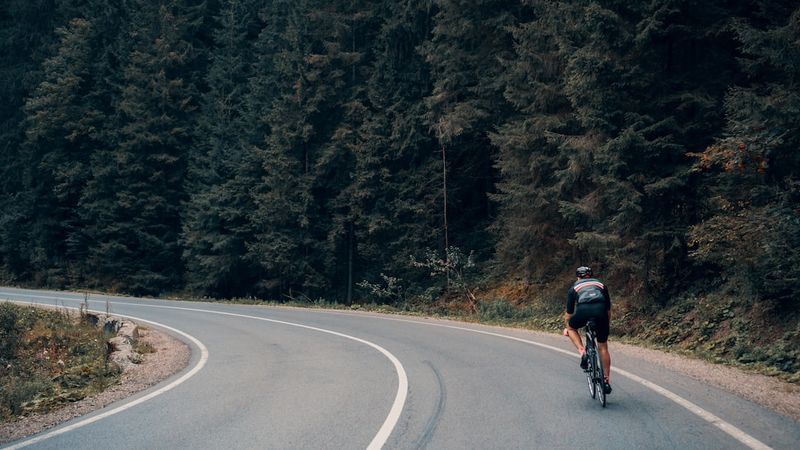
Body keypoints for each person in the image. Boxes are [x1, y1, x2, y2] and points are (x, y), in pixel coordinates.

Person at [564, 266, 612, 394]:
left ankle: (582, 351)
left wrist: (567, 327)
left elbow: (569, 314)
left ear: (577, 277)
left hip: (583, 310)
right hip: (601, 312)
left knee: (571, 327)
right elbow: (608, 310)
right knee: (603, 347)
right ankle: (606, 380)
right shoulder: (601, 284)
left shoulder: (574, 287)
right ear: (591, 276)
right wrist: (606, 323)